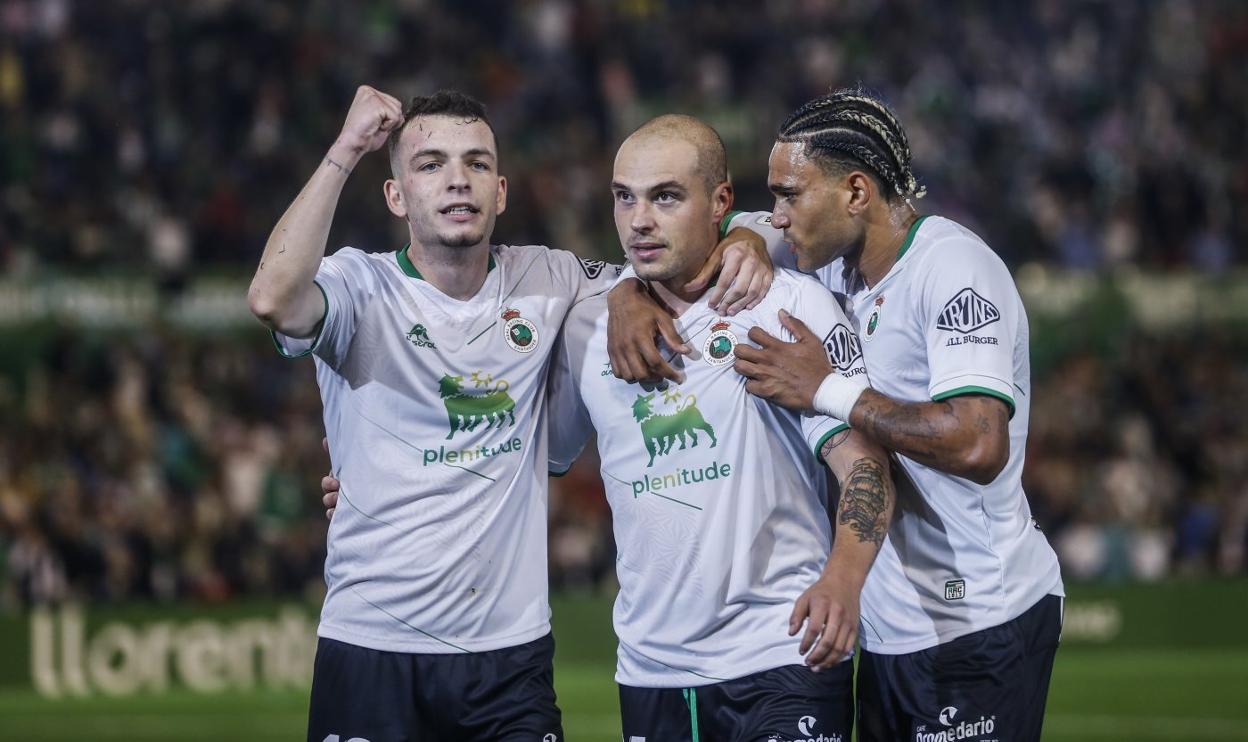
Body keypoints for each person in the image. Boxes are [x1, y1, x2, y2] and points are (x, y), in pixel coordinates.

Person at [248, 86, 771, 741]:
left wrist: (742, 235)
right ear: (396, 196)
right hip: (373, 646)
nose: (456, 180)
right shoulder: (358, 286)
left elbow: (677, 251)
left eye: (475, 163)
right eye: (430, 164)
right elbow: (271, 298)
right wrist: (348, 146)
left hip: (508, 662)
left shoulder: (549, 279)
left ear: (500, 191)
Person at [610, 89, 1065, 742]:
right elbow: (692, 238)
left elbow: (978, 443)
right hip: (884, 629)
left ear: (856, 193)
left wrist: (827, 391)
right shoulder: (835, 262)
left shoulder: (953, 268)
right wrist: (628, 292)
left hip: (978, 618)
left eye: (791, 195)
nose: (779, 216)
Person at [543, 115, 895, 741]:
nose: (639, 220)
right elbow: (530, 457)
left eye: (666, 196)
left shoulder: (788, 304)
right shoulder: (585, 329)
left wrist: (843, 579)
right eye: (624, 197)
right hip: (650, 670)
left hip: (783, 650)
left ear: (721, 203)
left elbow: (863, 463)